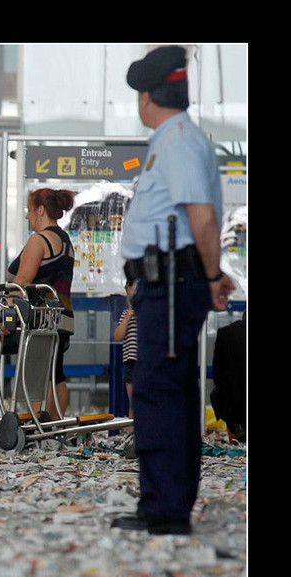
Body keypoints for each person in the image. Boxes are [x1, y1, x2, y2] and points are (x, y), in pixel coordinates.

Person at [111, 45, 235, 535]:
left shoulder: (178, 140)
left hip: (172, 284)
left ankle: (163, 511)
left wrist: (209, 277)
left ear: (148, 96)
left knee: (158, 391)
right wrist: (211, 275)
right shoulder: (176, 137)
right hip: (168, 282)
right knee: (171, 389)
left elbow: (201, 217)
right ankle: (168, 503)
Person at [7, 187, 76, 418]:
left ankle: (39, 426)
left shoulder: (39, 240)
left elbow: (23, 281)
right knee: (56, 373)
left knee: (37, 373)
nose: (27, 216)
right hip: (62, 317)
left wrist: (6, 313)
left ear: (41, 210)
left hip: (39, 320)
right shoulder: (65, 240)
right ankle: (55, 428)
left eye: (29, 210)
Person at [210, 309, 246, 443]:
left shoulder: (225, 333)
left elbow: (216, 374)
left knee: (217, 393)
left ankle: (233, 432)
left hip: (231, 402)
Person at [113, 278, 138, 418]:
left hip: (146, 362)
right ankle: (132, 430)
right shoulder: (125, 315)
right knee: (133, 402)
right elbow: (117, 336)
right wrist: (128, 318)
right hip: (131, 361)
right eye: (130, 297)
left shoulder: (148, 316)